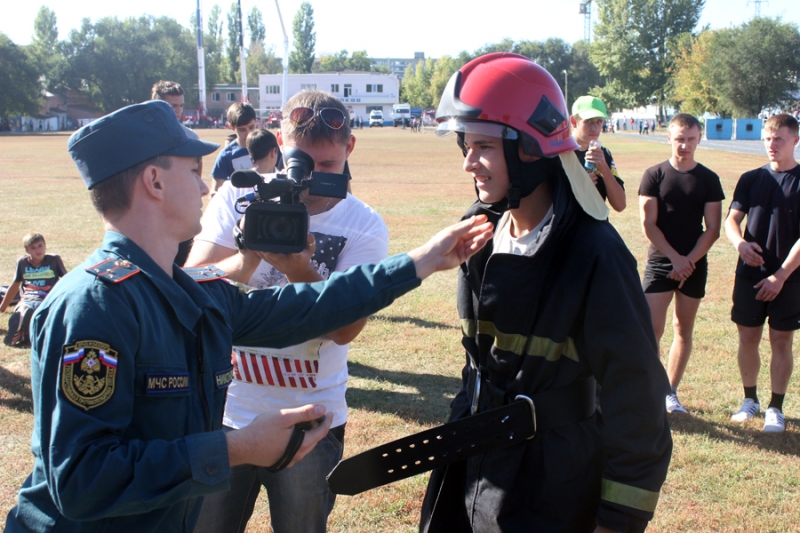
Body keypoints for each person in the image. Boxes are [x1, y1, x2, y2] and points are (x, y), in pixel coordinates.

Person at [4, 99, 494, 533]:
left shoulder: (187, 292)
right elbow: (81, 481)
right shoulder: (93, 306)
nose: (203, 186)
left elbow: (308, 307)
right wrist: (236, 449)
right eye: (192, 171)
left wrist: (422, 261)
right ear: (153, 181)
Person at [420, 53, 672, 533]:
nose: (469, 162)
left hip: (551, 484)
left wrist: (619, 518)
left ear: (530, 150)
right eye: (465, 145)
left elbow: (636, 393)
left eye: (483, 147)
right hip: (471, 464)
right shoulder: (477, 233)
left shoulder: (594, 252)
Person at [189, 90, 389, 533]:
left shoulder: (364, 225)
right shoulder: (237, 198)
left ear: (349, 149)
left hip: (310, 424)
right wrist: (245, 260)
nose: (313, 179)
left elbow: (346, 329)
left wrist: (299, 268)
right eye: (305, 163)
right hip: (224, 412)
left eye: (330, 166)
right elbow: (187, 286)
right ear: (280, 141)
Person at [638, 113, 724, 415]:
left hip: (694, 264)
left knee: (682, 328)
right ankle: (650, 390)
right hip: (661, 262)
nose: (684, 145)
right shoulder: (654, 175)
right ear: (669, 138)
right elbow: (648, 223)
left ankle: (671, 393)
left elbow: (713, 228)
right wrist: (675, 258)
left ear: (699, 138)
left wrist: (689, 261)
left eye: (690, 139)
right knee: (650, 330)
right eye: (679, 139)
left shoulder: (709, 179)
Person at [724, 113, 800, 433]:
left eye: (779, 138)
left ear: (795, 140)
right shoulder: (751, 178)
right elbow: (731, 220)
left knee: (781, 341)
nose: (772, 145)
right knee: (747, 338)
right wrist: (740, 244)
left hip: (789, 276)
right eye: (768, 139)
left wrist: (780, 276)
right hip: (750, 274)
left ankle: (775, 408)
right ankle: (750, 400)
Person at [152, 80, 204, 265]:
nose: (178, 110)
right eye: (172, 105)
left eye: (180, 105)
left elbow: (197, 172)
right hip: (154, 210)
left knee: (182, 265)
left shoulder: (190, 137)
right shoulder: (144, 138)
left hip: (180, 208)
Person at [1, 233, 67, 347]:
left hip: (47, 299)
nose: (38, 250)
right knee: (22, 311)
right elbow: (15, 285)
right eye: (33, 247)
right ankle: (16, 333)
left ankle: (24, 334)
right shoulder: (22, 262)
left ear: (45, 246)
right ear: (27, 250)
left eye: (40, 245)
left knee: (42, 314)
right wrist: (2, 307)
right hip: (28, 298)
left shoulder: (54, 260)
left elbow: (66, 280)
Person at [570, 95, 627, 212]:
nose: (595, 127)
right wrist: (577, 184)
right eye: (589, 121)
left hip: (596, 225)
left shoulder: (603, 153)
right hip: (565, 227)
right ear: (574, 122)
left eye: (599, 121)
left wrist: (604, 168)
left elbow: (620, 205)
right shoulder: (558, 153)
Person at [211, 102, 257, 193]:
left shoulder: (268, 145)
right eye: (242, 129)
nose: (248, 133)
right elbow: (215, 192)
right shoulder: (226, 156)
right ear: (232, 127)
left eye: (251, 127)